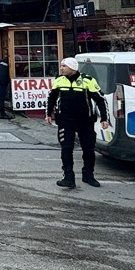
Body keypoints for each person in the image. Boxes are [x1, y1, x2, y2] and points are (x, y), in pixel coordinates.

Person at [45, 56, 109, 190]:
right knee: (66, 148)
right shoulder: (59, 80)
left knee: (88, 148)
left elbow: (100, 99)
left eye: (64, 66)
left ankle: (88, 175)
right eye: (61, 65)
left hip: (85, 121)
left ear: (73, 68)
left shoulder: (87, 81)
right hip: (65, 121)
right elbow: (51, 98)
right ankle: (68, 177)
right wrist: (48, 114)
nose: (61, 68)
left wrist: (104, 118)